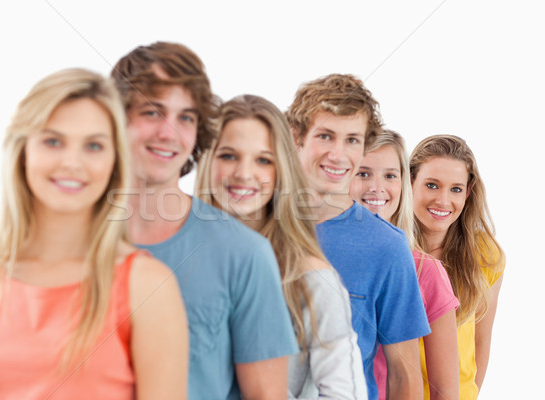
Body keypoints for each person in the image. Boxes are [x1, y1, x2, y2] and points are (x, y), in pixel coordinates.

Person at [0, 68, 189, 399]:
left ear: (113, 163)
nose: (71, 162)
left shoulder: (147, 285)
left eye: (93, 146)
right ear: (23, 152)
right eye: (53, 141)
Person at [111, 42, 298, 400]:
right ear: (115, 117)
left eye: (186, 117)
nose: (169, 132)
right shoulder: (72, 242)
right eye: (152, 111)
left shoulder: (245, 254)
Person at [195, 94, 368, 399]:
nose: (244, 173)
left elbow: (344, 394)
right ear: (208, 160)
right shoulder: (182, 260)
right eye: (228, 155)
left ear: (281, 172)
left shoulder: (312, 279)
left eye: (263, 160)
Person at [285, 73, 430, 400]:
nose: (338, 154)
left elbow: (404, 377)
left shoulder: (387, 247)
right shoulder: (256, 228)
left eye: (352, 139)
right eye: (325, 136)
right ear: (296, 137)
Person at [350, 130, 460, 400]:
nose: (377, 187)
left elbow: (445, 392)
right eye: (363, 174)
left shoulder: (426, 271)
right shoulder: (318, 257)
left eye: (390, 175)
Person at [410, 134, 505, 400]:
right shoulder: (391, 250)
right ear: (410, 182)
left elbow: (480, 340)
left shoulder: (486, 255)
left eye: (455, 189)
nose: (443, 200)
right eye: (431, 185)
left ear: (469, 192)